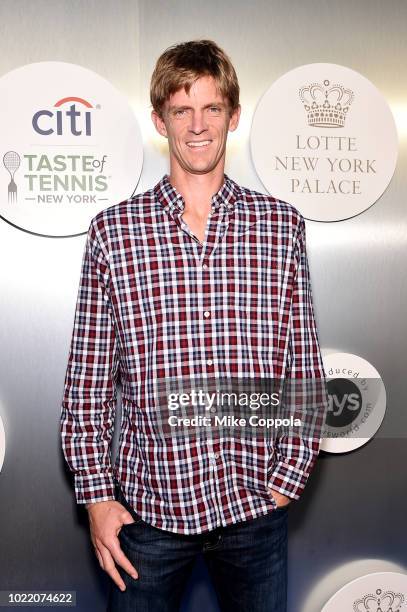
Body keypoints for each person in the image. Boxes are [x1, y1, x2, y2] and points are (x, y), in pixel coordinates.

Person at [60, 39, 327, 612]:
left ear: (234, 115)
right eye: (182, 110)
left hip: (254, 508)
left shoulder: (280, 226)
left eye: (212, 108)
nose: (198, 126)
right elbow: (88, 382)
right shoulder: (115, 232)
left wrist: (289, 475)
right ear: (160, 120)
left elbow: (302, 365)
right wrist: (96, 498)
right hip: (149, 512)